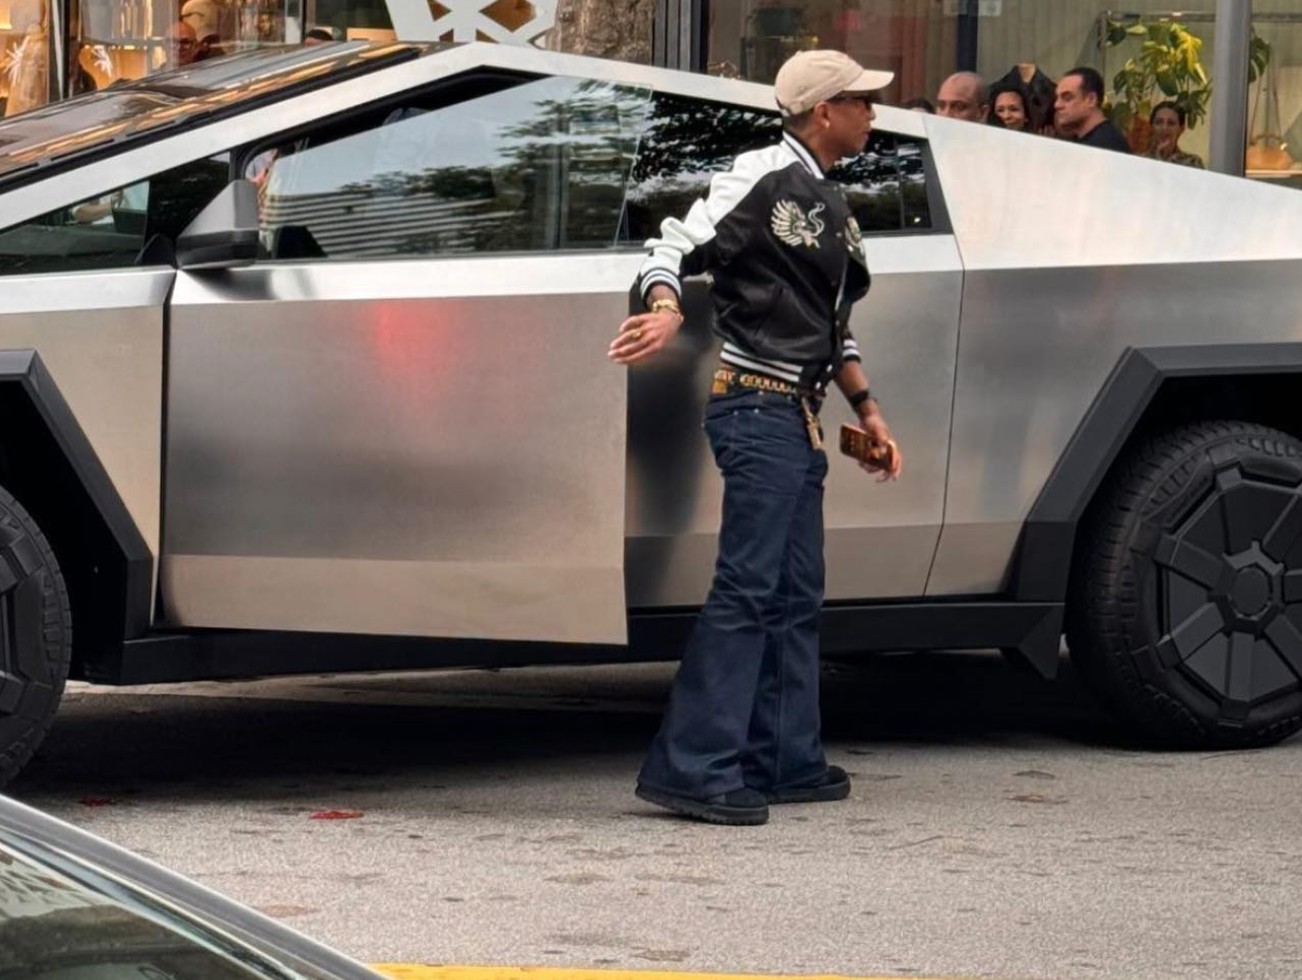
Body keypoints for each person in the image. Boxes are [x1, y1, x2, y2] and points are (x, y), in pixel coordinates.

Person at [608, 49, 902, 827]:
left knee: (796, 593)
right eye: (861, 101)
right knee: (749, 587)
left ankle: (785, 759)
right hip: (754, 406)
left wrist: (866, 409)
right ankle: (695, 768)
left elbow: (832, 326)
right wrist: (667, 306)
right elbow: (669, 243)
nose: (874, 112)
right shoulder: (759, 173)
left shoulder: (832, 200)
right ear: (822, 110)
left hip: (798, 417)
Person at [1054, 67, 1130, 153]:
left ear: (1091, 100)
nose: (1057, 105)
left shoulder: (1105, 146)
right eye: (1057, 98)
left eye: (1067, 98)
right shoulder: (1093, 142)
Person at [1144, 101, 1204, 168]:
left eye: (1171, 123)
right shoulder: (1140, 161)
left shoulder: (1192, 162)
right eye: (1159, 122)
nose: (1164, 128)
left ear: (1181, 129)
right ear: (1151, 127)